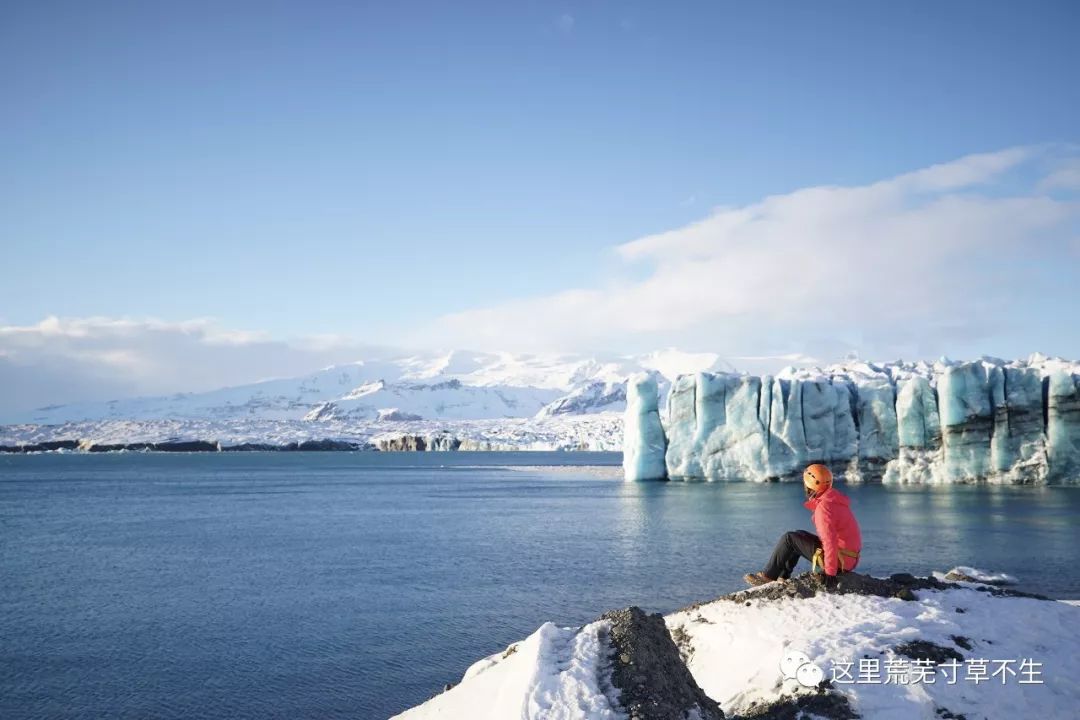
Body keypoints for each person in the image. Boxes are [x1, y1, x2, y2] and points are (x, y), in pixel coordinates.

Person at [743, 463, 861, 589]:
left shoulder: (824, 508)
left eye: (805, 483)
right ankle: (782, 577)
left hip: (840, 561)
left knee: (789, 539)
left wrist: (830, 573)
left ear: (810, 485)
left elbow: (829, 541)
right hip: (847, 558)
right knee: (799, 535)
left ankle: (768, 576)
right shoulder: (833, 500)